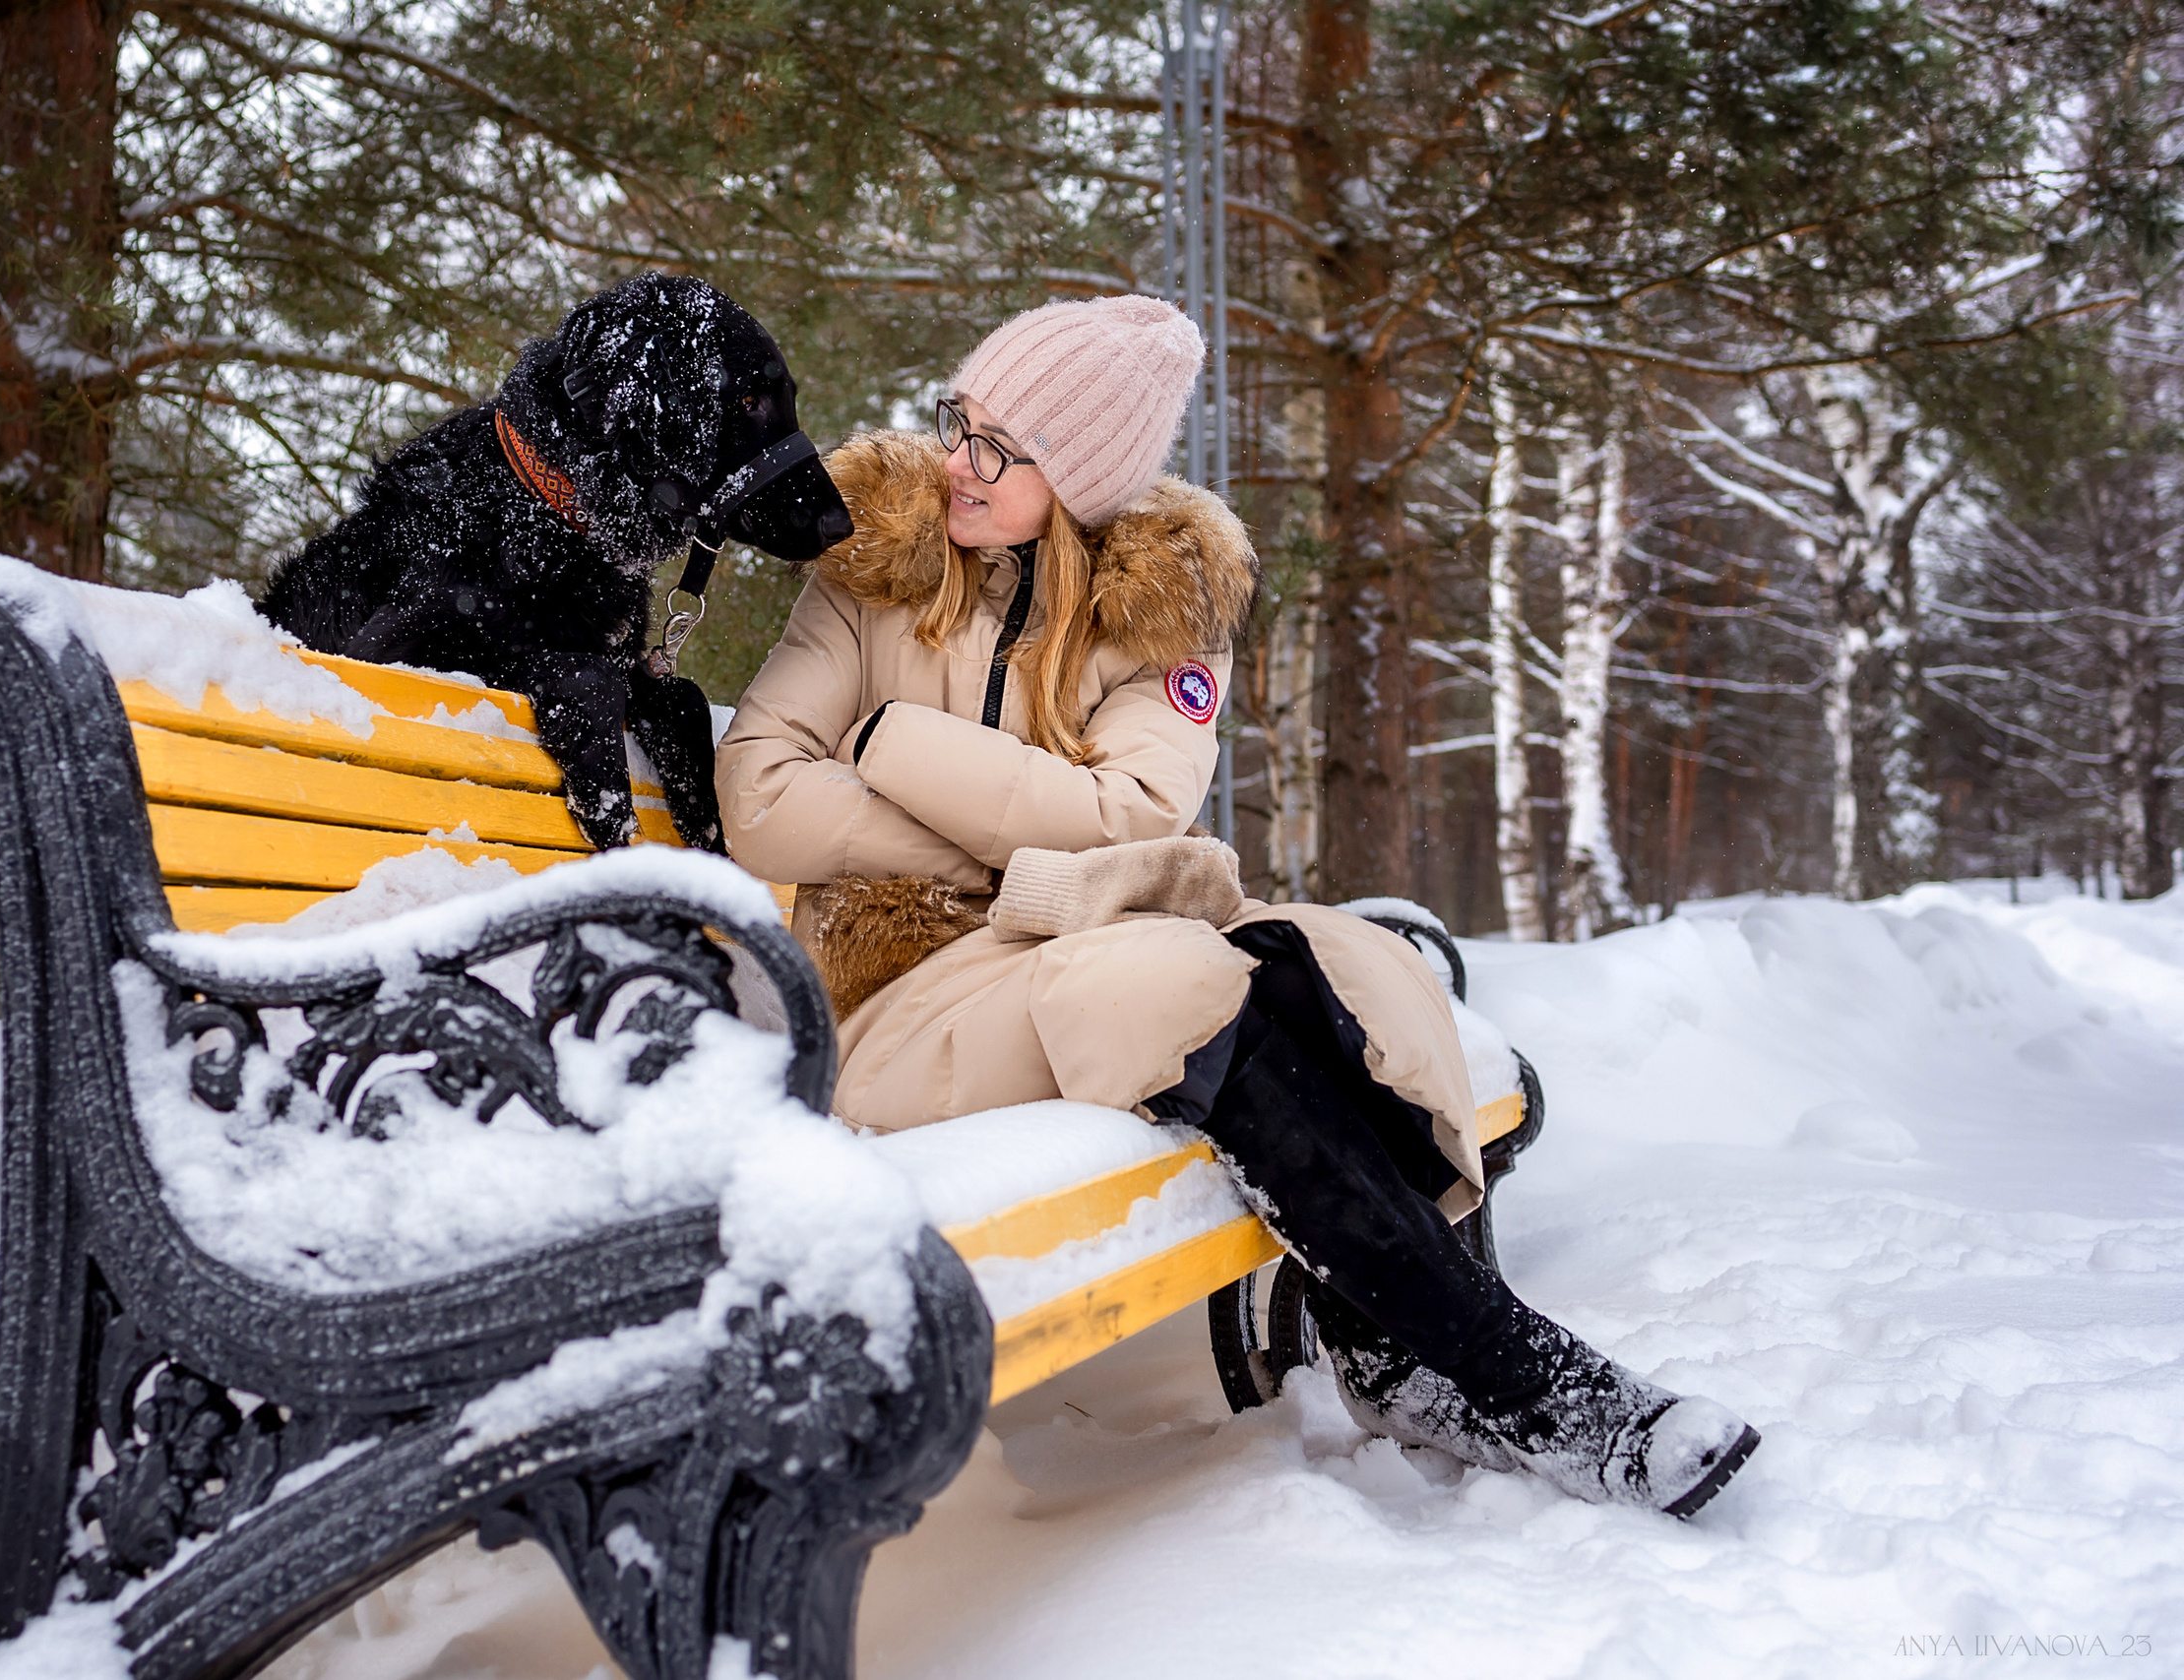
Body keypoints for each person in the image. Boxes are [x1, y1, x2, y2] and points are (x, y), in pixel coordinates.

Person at [713, 296, 1760, 1517]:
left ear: (1086, 477)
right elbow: (762, 795)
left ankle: (1393, 1351)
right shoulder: (872, 574)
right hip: (900, 1003)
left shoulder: (1155, 610)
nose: (960, 462)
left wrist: (891, 750)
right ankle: (1515, 1378)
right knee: (1178, 982)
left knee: (1332, 959)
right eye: (961, 422)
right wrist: (984, 824)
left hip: (1073, 962)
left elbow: (1128, 820)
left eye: (1004, 446)